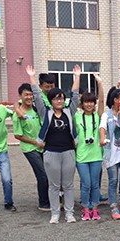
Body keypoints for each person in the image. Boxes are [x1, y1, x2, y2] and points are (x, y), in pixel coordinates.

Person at [30, 65, 81, 224]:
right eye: (56, 98)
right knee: (53, 186)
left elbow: (75, 96)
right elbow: (37, 97)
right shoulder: (46, 113)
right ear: (51, 101)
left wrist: (77, 77)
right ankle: (55, 213)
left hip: (68, 152)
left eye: (61, 98)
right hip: (51, 153)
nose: (59, 101)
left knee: (68, 185)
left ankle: (69, 213)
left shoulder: (69, 111)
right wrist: (31, 77)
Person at [12, 83, 50, 212]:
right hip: (30, 148)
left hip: (42, 146)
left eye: (31, 94)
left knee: (49, 173)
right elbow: (18, 135)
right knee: (42, 175)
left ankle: (51, 199)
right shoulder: (18, 115)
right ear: (20, 96)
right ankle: (43, 203)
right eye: (26, 95)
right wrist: (35, 142)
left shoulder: (36, 109)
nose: (29, 97)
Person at [74, 75, 105, 221]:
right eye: (86, 102)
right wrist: (77, 78)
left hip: (96, 155)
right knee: (86, 184)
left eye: (91, 102)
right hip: (82, 156)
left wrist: (100, 83)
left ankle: (95, 208)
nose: (89, 104)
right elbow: (71, 101)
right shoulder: (77, 116)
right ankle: (86, 208)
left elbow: (102, 101)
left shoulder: (98, 116)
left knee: (95, 185)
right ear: (82, 103)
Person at [100, 87, 120, 220]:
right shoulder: (107, 115)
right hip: (111, 153)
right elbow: (102, 127)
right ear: (115, 100)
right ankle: (113, 206)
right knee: (113, 180)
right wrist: (102, 138)